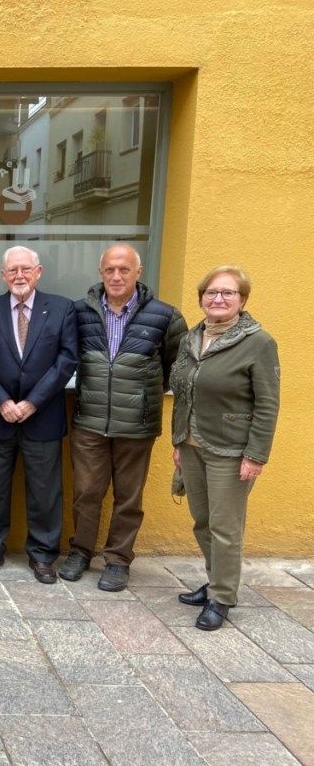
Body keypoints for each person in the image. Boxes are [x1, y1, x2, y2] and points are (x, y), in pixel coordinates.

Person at [59, 244, 187, 591]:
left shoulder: (165, 316)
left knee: (129, 496)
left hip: (137, 424)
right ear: (100, 272)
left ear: (138, 272)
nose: (117, 276)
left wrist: (145, 397)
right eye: (110, 270)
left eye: (124, 270)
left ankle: (117, 560)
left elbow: (176, 369)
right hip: (89, 420)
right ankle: (81, 552)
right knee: (86, 492)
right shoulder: (80, 312)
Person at [171, 266, 279, 630]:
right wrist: (178, 440)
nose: (217, 299)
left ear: (242, 300)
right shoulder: (192, 338)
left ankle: (222, 597)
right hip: (191, 444)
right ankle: (216, 580)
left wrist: (256, 454)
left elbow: (267, 403)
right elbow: (184, 391)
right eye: (211, 293)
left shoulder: (259, 342)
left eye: (227, 293)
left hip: (231, 450)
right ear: (202, 298)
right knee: (202, 521)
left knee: (225, 527)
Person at [0, 245, 77, 583]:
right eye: (12, 270)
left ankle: (43, 556)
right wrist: (2, 402)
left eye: (25, 269)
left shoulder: (61, 309)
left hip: (42, 416)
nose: (19, 275)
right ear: (2, 275)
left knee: (45, 492)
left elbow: (67, 360)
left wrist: (32, 402)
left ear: (38, 272)